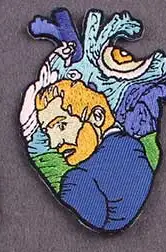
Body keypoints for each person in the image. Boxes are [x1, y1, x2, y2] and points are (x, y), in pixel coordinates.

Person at [35, 79, 154, 231]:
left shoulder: (78, 181)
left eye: (61, 126)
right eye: (48, 133)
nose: (54, 143)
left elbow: (72, 233)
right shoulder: (134, 148)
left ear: (97, 117)